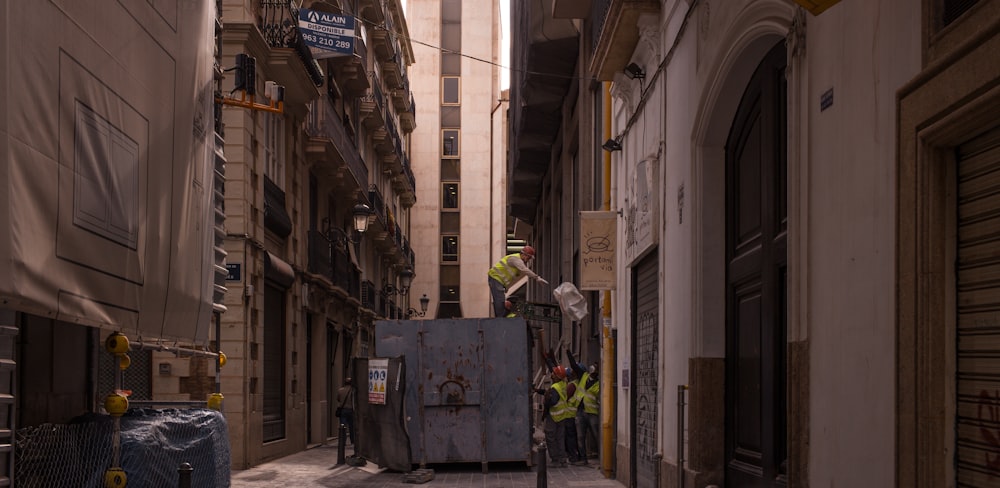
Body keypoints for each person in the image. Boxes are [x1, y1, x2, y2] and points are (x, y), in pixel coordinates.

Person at [488, 246, 547, 318]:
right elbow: (524, 270)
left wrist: (506, 287)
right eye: (528, 258)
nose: (528, 260)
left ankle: (502, 317)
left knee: (500, 299)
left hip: (498, 280)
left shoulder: (517, 261)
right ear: (524, 255)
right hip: (495, 277)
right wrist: (537, 277)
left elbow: (511, 277)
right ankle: (500, 318)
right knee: (499, 300)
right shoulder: (515, 259)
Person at [536, 365, 573, 467]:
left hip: (554, 416)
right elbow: (549, 393)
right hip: (562, 415)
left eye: (554, 373)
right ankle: (562, 459)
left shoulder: (555, 387)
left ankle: (555, 459)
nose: (552, 374)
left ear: (556, 376)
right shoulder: (563, 384)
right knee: (560, 438)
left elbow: (552, 400)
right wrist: (538, 390)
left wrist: (546, 400)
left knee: (550, 437)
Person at [569, 359, 600, 461]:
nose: (594, 369)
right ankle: (583, 458)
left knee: (596, 436)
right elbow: (574, 365)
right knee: (580, 437)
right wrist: (568, 352)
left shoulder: (599, 384)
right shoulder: (584, 376)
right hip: (580, 412)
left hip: (592, 413)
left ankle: (601, 457)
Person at [336, 377, 356, 451]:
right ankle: (352, 441)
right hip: (351, 410)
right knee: (351, 426)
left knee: (343, 426)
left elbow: (338, 399)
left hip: (343, 410)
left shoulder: (340, 390)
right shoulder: (353, 391)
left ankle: (342, 441)